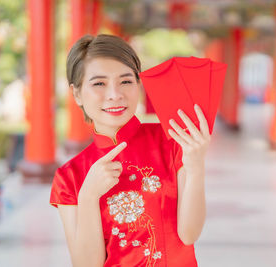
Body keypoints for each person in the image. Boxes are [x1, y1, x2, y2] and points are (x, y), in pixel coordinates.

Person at [50, 34, 209, 267]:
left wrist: (196, 168)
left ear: (138, 85)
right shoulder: (69, 176)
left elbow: (190, 234)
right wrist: (88, 196)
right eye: (99, 83)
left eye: (125, 81)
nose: (115, 94)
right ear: (76, 94)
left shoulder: (172, 140)